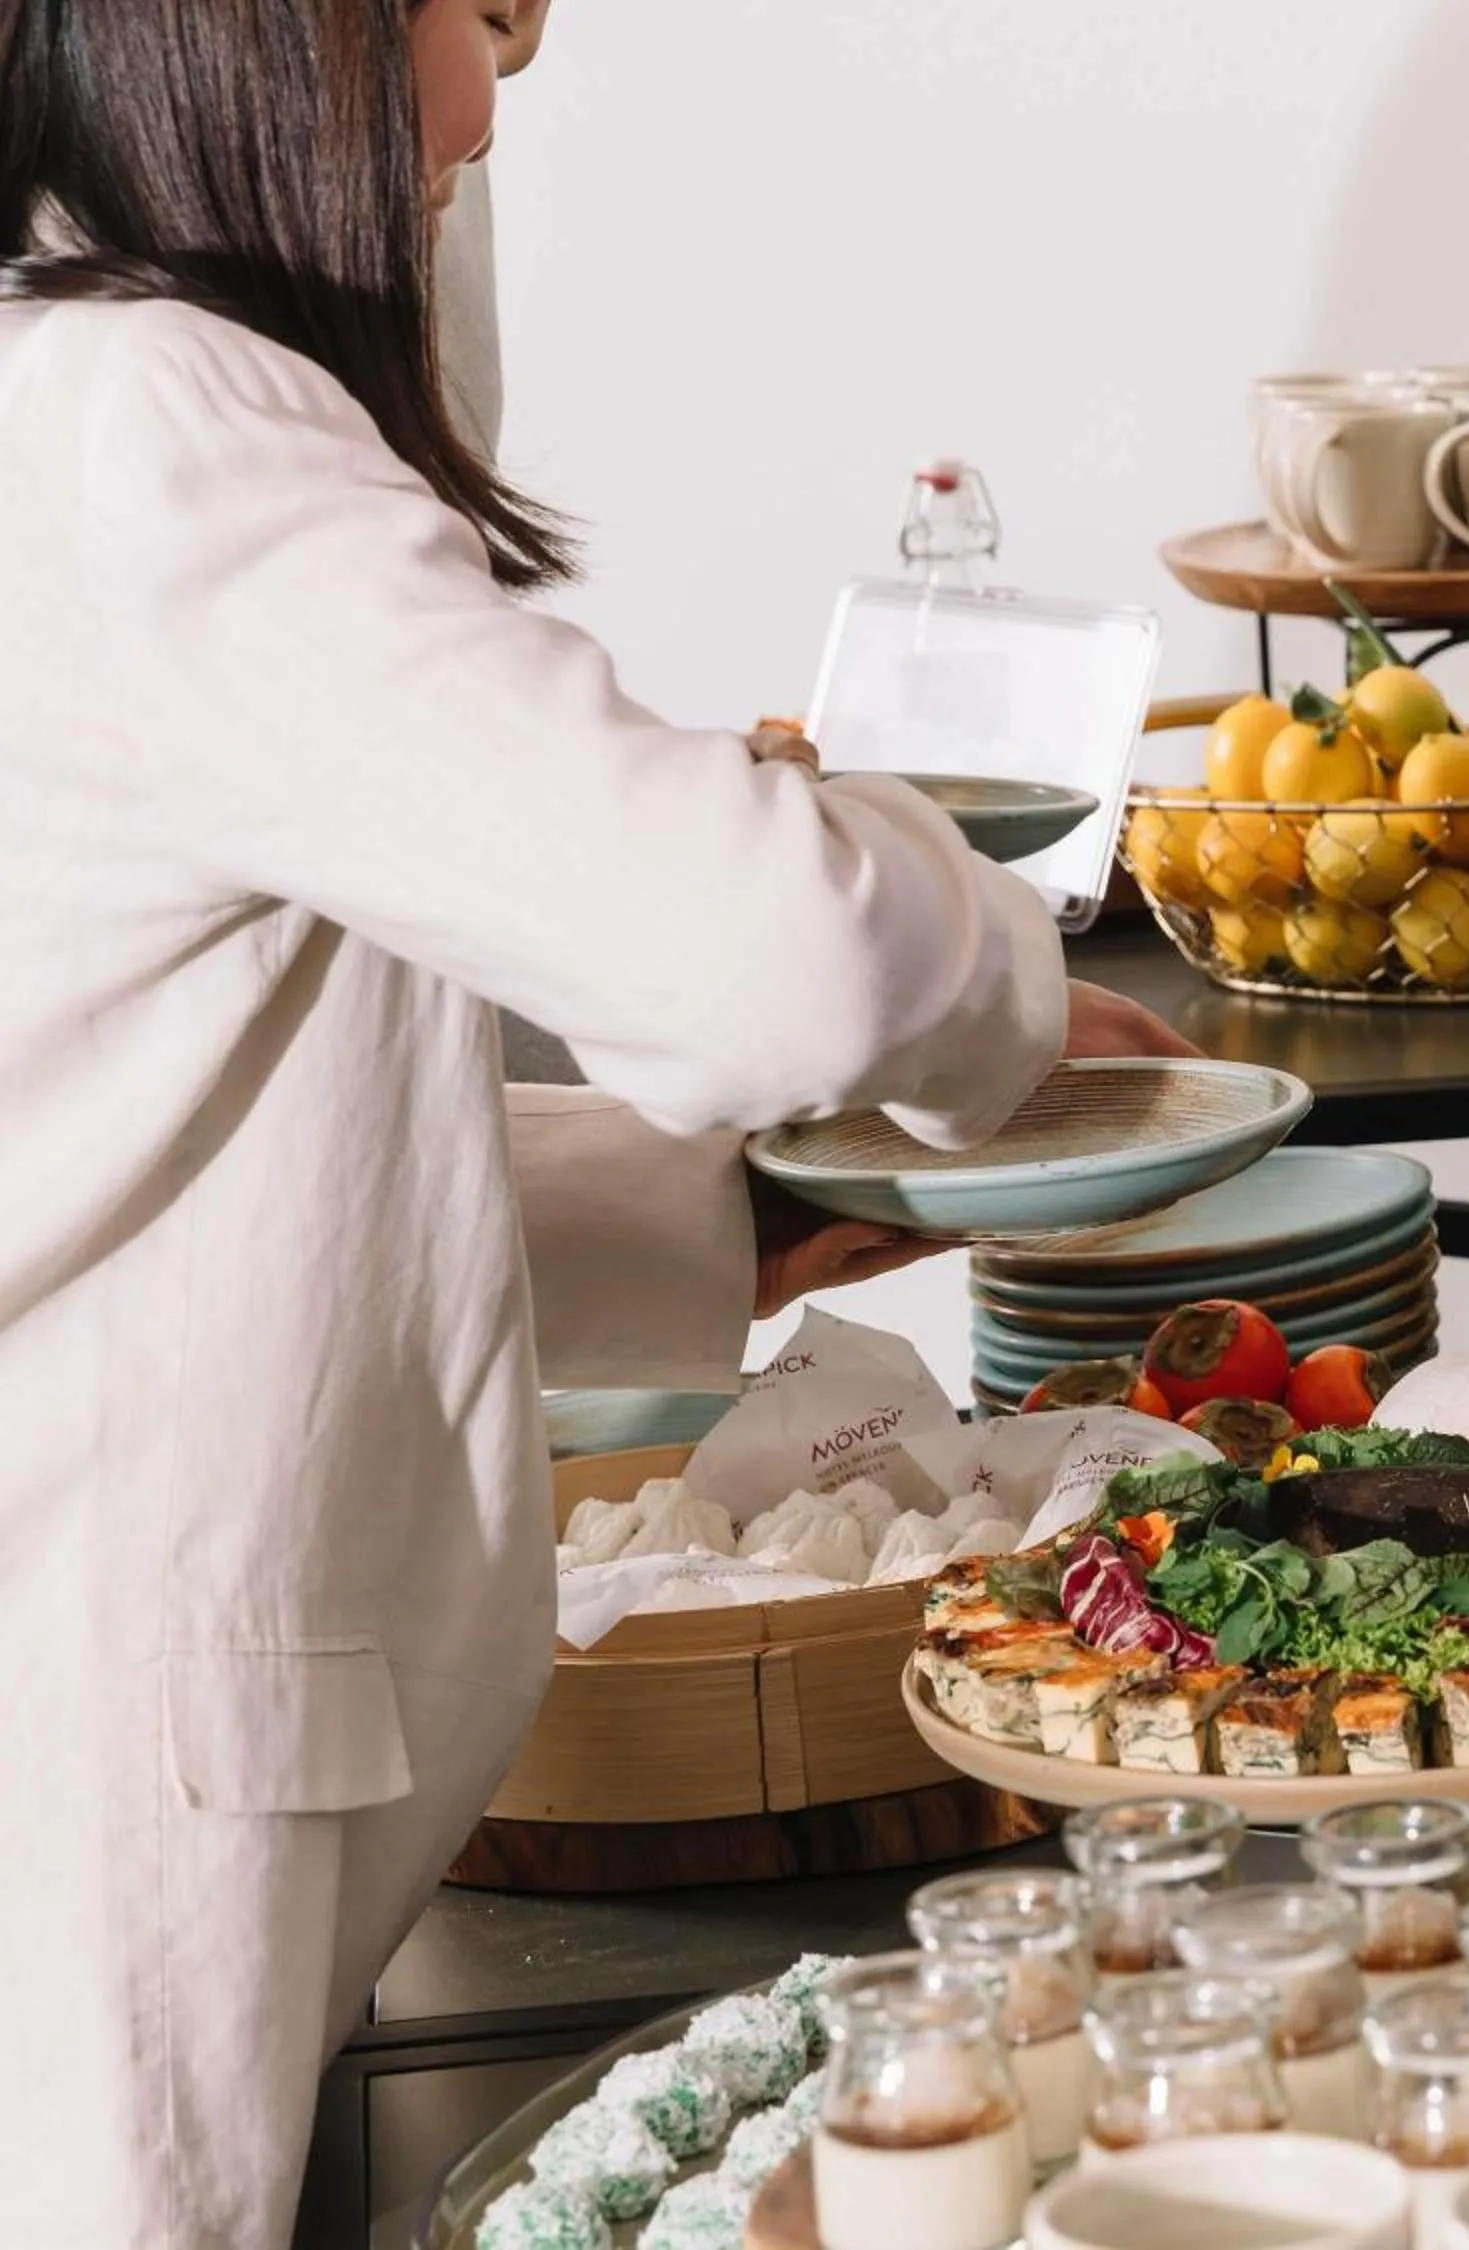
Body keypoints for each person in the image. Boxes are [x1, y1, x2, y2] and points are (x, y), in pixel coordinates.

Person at [0, 4, 1186, 2242]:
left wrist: (711, 1211)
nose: (491, 99)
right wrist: (1005, 991)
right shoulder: (154, 424)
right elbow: (782, 961)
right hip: (80, 1803)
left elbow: (157, 1122)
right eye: (480, 10)